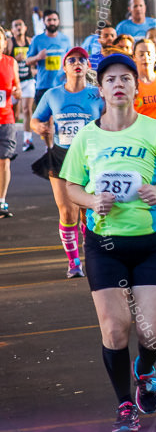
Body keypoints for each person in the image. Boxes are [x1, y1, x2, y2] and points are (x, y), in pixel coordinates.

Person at [61, 52, 156, 432]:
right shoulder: (87, 135)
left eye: (125, 79)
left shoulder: (155, 131)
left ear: (135, 86)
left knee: (153, 334)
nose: (118, 84)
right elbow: (71, 186)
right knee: (115, 329)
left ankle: (145, 371)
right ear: (100, 89)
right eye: (110, 79)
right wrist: (92, 200)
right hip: (104, 243)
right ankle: (125, 404)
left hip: (152, 242)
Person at [31, 47, 104, 278]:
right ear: (65, 68)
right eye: (71, 60)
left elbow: (112, 118)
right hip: (61, 157)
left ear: (87, 66)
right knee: (67, 212)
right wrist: (40, 127)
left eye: (82, 59)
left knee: (88, 211)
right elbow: (35, 120)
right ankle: (74, 263)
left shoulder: (96, 94)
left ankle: (90, 250)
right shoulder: (52, 94)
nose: (77, 63)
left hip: (91, 159)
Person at [26, 9, 72, 108]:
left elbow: (70, 60)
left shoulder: (65, 39)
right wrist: (38, 57)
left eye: (54, 20)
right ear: (44, 22)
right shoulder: (37, 40)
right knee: (43, 121)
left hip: (61, 86)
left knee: (59, 119)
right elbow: (27, 61)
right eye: (49, 20)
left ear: (58, 21)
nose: (52, 22)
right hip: (43, 85)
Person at [0, 28, 21, 217]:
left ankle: (2, 201)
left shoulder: (11, 63)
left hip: (6, 119)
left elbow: (18, 89)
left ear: (4, 42)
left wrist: (16, 93)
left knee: (4, 160)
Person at [9, 18, 36, 151]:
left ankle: (27, 139)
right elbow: (5, 61)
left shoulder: (30, 42)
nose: (19, 27)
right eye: (16, 25)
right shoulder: (10, 43)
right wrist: (15, 59)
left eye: (20, 25)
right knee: (14, 112)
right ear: (12, 29)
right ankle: (11, 138)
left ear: (25, 28)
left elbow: (34, 60)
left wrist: (34, 66)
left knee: (27, 109)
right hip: (13, 82)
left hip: (28, 80)